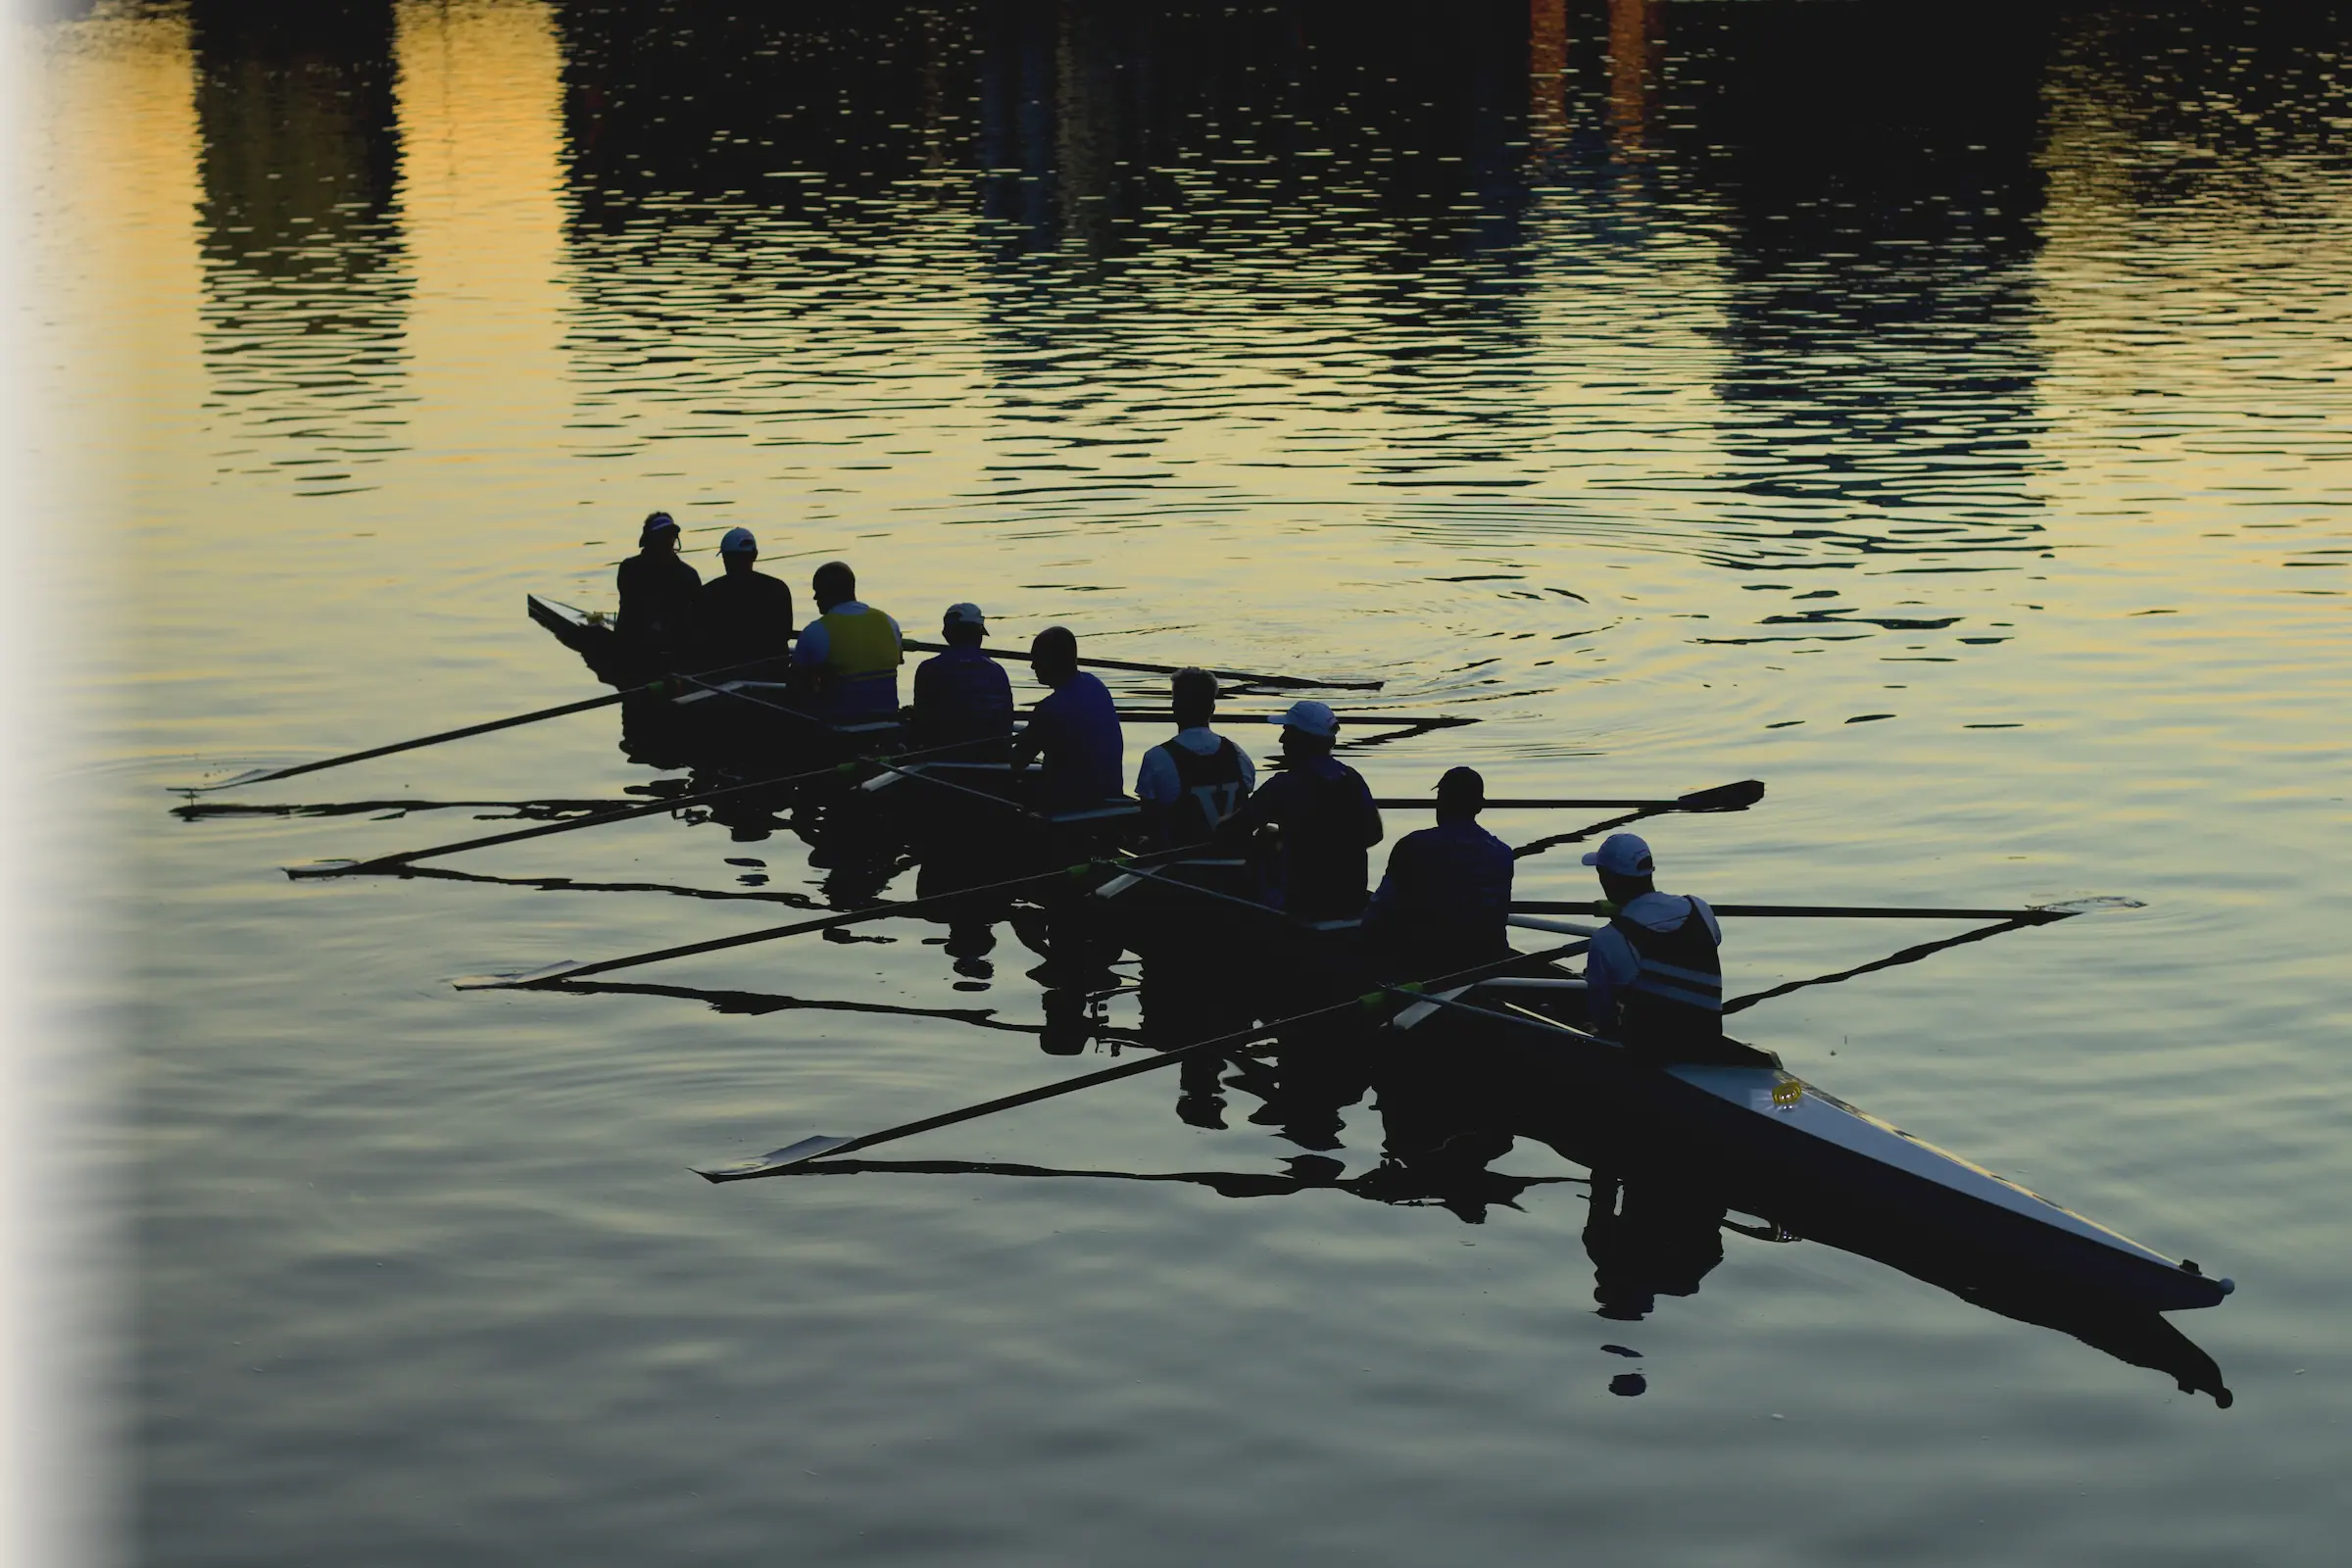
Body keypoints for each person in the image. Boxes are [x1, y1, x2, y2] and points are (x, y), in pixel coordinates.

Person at [1219, 700, 1383, 922]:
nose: (1281, 739)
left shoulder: (1284, 785)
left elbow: (1229, 831)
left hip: (1303, 904)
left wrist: (1269, 839)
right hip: (1350, 899)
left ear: (1301, 740)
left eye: (1287, 732)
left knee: (1260, 848)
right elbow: (1375, 834)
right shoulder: (1352, 778)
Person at [1580, 833, 1723, 1059]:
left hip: (1651, 1055)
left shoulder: (1607, 939)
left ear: (1606, 878)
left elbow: (1602, 1018)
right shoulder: (1700, 908)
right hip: (1708, 1042)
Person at [1364, 765, 1514, 970]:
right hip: (1488, 960)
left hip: (1427, 962)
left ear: (1440, 802)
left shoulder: (1413, 845)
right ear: (1480, 806)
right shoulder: (1503, 853)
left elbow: (1378, 912)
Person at [1134, 666, 1254, 848]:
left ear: (1174, 708)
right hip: (1236, 862)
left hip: (1180, 865)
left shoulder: (1156, 759)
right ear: (1212, 709)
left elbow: (1148, 823)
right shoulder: (1239, 755)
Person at [1008, 625, 1123, 813]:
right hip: (1109, 794)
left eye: (1037, 658)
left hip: (1072, 805)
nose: (1032, 666)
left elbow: (1017, 762)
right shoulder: (1096, 686)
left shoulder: (1049, 708)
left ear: (1055, 660)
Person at [791, 561, 903, 721]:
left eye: (817, 591)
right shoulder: (889, 622)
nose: (815, 597)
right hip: (888, 716)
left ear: (828, 592)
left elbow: (797, 683)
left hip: (842, 723)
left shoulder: (815, 631)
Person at [909, 603, 1015, 750]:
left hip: (943, 756)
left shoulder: (928, 669)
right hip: (993, 756)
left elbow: (922, 720)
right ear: (978, 635)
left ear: (946, 634)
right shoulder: (997, 671)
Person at [695, 526, 795, 670]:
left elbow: (700, 639)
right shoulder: (779, 588)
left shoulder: (707, 593)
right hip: (772, 671)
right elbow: (785, 632)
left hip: (723, 672)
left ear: (725, 558)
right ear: (755, 555)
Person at [614, 511, 701, 661]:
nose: (668, 541)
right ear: (649, 541)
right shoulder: (630, 569)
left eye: (670, 535)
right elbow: (634, 609)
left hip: (677, 648)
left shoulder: (689, 575)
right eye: (662, 536)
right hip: (636, 645)